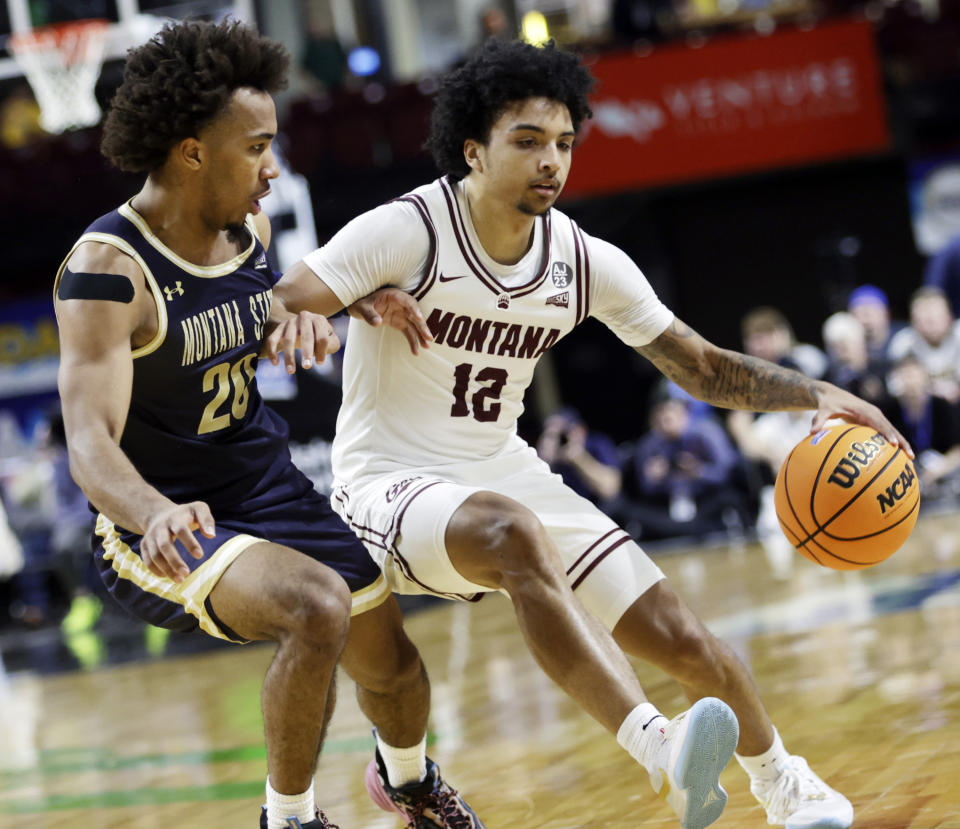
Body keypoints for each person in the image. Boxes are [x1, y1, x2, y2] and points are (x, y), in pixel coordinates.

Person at [268, 38, 912, 829]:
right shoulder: (409, 230)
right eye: (528, 141)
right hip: (385, 479)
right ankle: (659, 750)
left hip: (500, 464)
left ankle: (786, 782)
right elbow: (282, 297)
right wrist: (354, 299)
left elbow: (701, 366)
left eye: (565, 143)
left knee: (683, 636)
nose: (552, 162)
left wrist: (822, 395)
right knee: (510, 532)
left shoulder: (582, 259)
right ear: (473, 150)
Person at [53, 19, 480, 829]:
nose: (271, 168)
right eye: (255, 147)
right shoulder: (107, 273)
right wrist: (153, 514)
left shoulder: (240, 231)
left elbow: (267, 300)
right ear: (191, 153)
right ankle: (287, 819)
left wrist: (336, 306)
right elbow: (88, 442)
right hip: (166, 515)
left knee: (391, 663)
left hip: (265, 483)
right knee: (315, 607)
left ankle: (411, 782)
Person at [887, 286, 960, 405]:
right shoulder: (903, 343)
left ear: (949, 317)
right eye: (922, 319)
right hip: (921, 409)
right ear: (913, 320)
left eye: (934, 318)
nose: (929, 326)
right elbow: (893, 386)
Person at [535, 407, 621, 506]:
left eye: (563, 433)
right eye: (551, 435)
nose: (560, 440)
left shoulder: (597, 444)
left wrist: (578, 457)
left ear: (580, 430)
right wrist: (543, 460)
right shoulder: (552, 459)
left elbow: (610, 489)